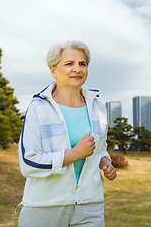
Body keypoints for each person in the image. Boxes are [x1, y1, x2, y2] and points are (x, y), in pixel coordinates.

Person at [17, 40, 117, 227]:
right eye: (69, 64)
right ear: (53, 70)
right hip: (44, 207)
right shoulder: (38, 108)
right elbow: (28, 162)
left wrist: (106, 163)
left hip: (90, 206)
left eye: (82, 64)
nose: (77, 69)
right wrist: (73, 155)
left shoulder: (98, 107)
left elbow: (100, 147)